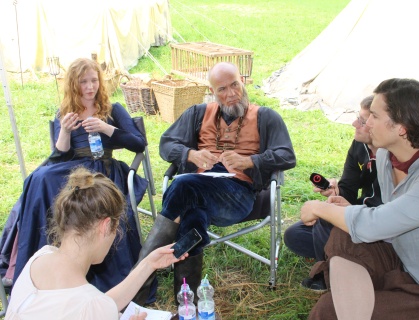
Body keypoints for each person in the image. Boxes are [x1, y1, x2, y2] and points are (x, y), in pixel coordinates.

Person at [301, 78, 419, 319]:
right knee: (343, 234)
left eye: (374, 116)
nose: (366, 124)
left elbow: (372, 224)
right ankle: (358, 306)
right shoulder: (386, 157)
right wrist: (345, 211)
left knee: (328, 309)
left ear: (401, 127)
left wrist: (318, 208)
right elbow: (386, 223)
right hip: (405, 264)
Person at [131, 61, 296, 305]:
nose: (230, 94)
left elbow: (287, 155)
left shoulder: (265, 116)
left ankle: (137, 284)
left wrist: (249, 160)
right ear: (213, 92)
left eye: (234, 85)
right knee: (192, 218)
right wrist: (191, 155)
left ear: (243, 82)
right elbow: (166, 144)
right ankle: (188, 303)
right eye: (222, 89)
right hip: (198, 187)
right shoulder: (198, 113)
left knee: (183, 185)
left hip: (237, 195)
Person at [0, 58, 151, 300]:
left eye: (94, 81)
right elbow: (60, 154)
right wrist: (66, 130)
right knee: (37, 179)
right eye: (84, 82)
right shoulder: (66, 111)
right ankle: (36, 253)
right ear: (74, 84)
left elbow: (138, 143)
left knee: (42, 179)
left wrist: (105, 128)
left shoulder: (113, 109)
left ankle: (90, 271)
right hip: (72, 167)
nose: (90, 87)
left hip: (103, 168)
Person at [5, 167, 185, 319]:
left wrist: (149, 263)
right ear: (106, 226)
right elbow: (92, 307)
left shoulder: (41, 257)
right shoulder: (91, 306)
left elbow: (92, 306)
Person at [283, 95, 381, 291]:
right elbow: (349, 191)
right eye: (358, 117)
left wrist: (337, 210)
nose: (355, 123)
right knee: (294, 235)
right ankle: (342, 257)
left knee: (327, 218)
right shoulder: (359, 145)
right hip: (357, 215)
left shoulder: (393, 157)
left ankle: (325, 272)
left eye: (362, 121)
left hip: (377, 225)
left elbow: (380, 213)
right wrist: (335, 191)